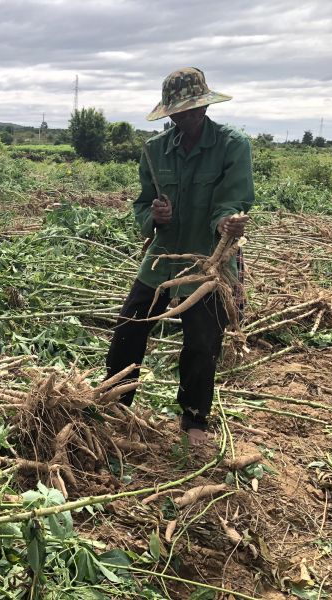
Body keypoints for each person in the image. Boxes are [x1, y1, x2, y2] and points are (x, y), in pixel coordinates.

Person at [105, 67, 254, 446]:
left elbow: (232, 200)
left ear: (205, 106)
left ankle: (194, 421)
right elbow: (141, 205)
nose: (188, 117)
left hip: (209, 261)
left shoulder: (231, 145)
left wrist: (227, 224)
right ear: (169, 113)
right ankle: (116, 407)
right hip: (164, 255)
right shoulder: (154, 151)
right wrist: (153, 216)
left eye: (195, 109)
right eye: (180, 112)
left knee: (203, 341)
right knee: (129, 327)